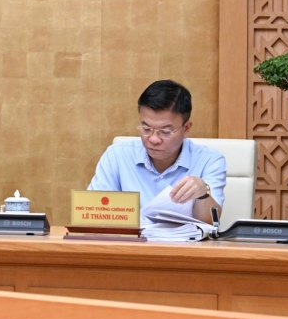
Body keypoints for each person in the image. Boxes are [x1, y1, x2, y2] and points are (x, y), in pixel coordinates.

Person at [88, 80, 226, 226]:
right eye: (146, 129)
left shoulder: (209, 161)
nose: (153, 139)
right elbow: (95, 214)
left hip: (183, 240)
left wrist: (202, 192)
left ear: (186, 129)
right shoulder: (117, 156)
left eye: (165, 132)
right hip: (132, 240)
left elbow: (211, 222)